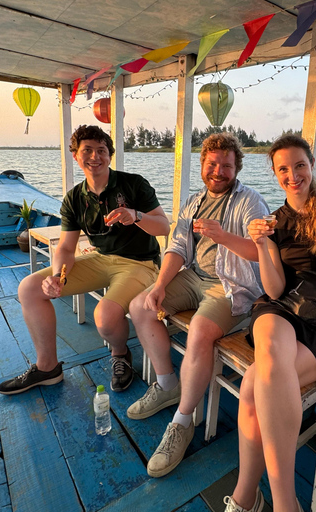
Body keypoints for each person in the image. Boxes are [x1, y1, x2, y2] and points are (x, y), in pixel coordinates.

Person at [223, 135, 316, 512]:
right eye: (283, 169)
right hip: (282, 310)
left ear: (311, 165)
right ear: (275, 175)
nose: (293, 175)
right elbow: (274, 288)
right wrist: (262, 245)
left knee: (251, 388)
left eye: (300, 165)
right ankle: (285, 504)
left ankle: (248, 497)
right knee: (272, 342)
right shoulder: (272, 223)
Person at [127, 132, 269, 478]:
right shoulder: (193, 202)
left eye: (227, 165)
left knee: (201, 332)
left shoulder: (251, 202)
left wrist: (222, 235)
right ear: (203, 164)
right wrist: (160, 285)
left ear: (237, 168)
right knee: (141, 305)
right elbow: (176, 247)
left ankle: (183, 420)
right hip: (193, 277)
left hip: (230, 285)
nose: (219, 171)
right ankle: (167, 384)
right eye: (212, 164)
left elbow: (261, 252)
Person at [0, 125, 170, 395]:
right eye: (87, 150)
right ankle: (47, 368)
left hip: (139, 263)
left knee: (104, 318)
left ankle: (121, 353)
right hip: (100, 259)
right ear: (76, 156)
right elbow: (66, 247)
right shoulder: (74, 198)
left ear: (110, 155)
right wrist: (57, 275)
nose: (95, 156)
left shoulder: (133, 183)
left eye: (101, 150)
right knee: (30, 288)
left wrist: (136, 215)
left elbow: (163, 227)